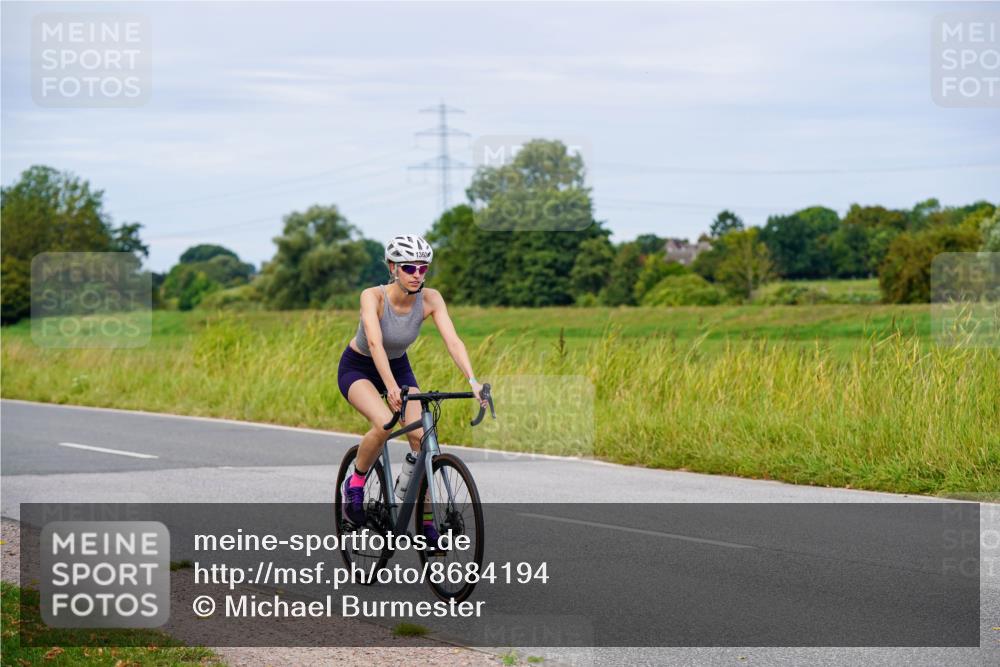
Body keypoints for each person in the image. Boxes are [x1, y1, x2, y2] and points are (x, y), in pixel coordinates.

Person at [336, 234, 487, 540]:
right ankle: (356, 483)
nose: (417, 275)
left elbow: (453, 342)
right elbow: (376, 343)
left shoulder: (431, 298)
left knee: (423, 438)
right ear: (393, 267)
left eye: (423, 268)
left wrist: (473, 381)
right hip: (360, 366)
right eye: (409, 268)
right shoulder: (373, 297)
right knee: (384, 424)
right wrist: (390, 387)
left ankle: (426, 521)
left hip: (399, 366)